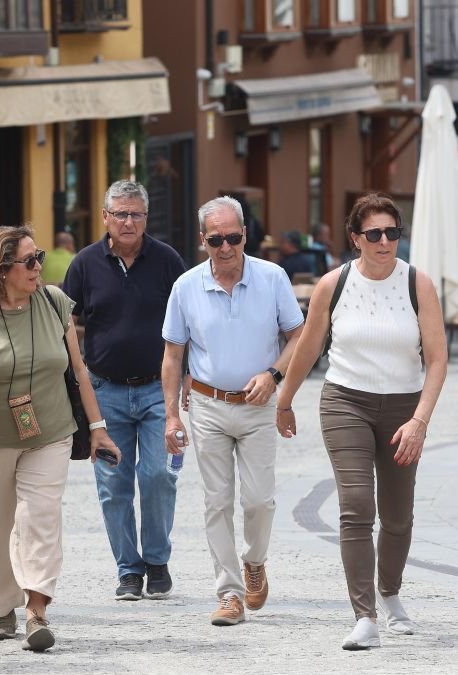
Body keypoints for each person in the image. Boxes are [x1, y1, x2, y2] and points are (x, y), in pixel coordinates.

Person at [274, 193, 448, 650]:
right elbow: (309, 347)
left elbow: (438, 358)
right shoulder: (334, 285)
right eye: (374, 233)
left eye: (392, 232)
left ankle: (390, 592)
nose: (385, 241)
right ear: (356, 238)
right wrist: (284, 399)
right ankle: (364, 615)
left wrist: (420, 421)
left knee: (397, 516)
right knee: (355, 506)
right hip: (345, 402)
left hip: (402, 410)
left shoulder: (418, 284)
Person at [0, 225, 121, 652]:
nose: (37, 268)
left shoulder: (54, 302)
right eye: (28, 261)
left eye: (39, 257)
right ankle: (1, 608)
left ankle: (36, 610)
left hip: (50, 429)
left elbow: (79, 371)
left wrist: (98, 428)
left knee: (40, 516)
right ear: (1, 268)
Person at [160, 196, 304, 626]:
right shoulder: (186, 286)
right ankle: (229, 593)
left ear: (245, 235)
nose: (226, 247)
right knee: (217, 501)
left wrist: (274, 376)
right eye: (217, 239)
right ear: (203, 240)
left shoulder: (272, 277)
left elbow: (300, 336)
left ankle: (254, 560)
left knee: (259, 500)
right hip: (207, 405)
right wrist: (171, 415)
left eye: (234, 238)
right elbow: (172, 355)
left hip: (258, 406)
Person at [63, 180, 187, 601]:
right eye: (120, 213)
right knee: (113, 484)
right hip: (105, 393)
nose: (128, 221)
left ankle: (156, 560)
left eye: (135, 213)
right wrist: (75, 376)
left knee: (159, 476)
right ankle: (128, 570)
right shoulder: (84, 264)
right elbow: (66, 323)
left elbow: (188, 323)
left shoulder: (168, 261)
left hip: (157, 391)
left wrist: (185, 384)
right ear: (105, 218)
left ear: (146, 218)